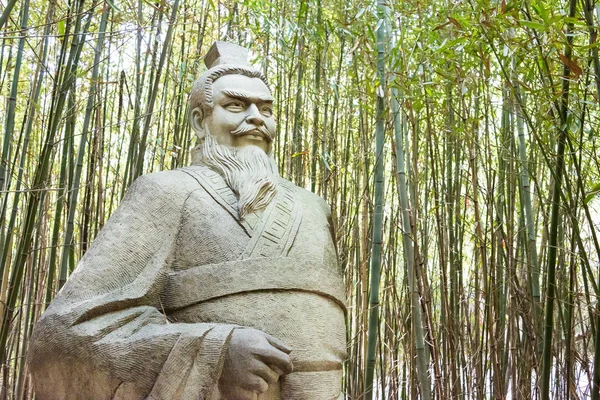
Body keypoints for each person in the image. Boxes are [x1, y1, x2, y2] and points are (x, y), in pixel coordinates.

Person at [28, 42, 347, 400]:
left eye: (266, 109)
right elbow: (63, 333)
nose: (257, 117)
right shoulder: (165, 192)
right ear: (200, 120)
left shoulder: (315, 207)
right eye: (237, 105)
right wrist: (215, 352)